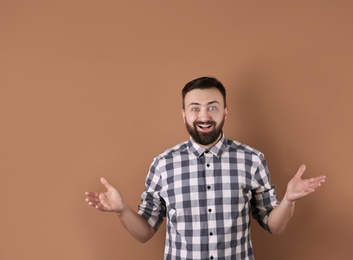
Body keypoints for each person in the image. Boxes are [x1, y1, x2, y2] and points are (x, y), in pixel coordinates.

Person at [85, 76, 326, 260]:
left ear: (225, 111)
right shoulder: (163, 164)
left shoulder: (252, 159)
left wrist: (289, 201)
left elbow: (273, 226)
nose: (204, 115)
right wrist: (121, 210)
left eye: (212, 107)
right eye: (195, 108)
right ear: (184, 114)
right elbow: (145, 232)